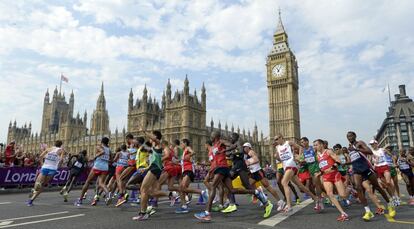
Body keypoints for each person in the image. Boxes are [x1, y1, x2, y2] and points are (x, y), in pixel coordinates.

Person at [194, 131, 269, 222]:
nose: (211, 136)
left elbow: (232, 145)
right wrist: (211, 170)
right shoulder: (213, 148)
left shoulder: (221, 142)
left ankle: (207, 213)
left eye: (212, 135)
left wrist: (224, 150)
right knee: (232, 190)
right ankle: (256, 192)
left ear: (216, 137)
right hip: (220, 168)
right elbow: (215, 160)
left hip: (222, 167)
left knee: (213, 186)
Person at [346, 131, 396, 221]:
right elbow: (352, 160)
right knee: (358, 188)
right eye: (348, 136)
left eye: (351, 136)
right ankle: (368, 211)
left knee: (377, 187)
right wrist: (345, 163)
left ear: (355, 136)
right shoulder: (349, 148)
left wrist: (358, 149)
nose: (349, 138)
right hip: (357, 170)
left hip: (366, 169)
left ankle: (390, 206)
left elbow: (369, 151)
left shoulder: (360, 143)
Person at [273, 134, 318, 213]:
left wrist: (299, 157)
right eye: (275, 140)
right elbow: (280, 159)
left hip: (291, 165)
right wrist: (276, 157)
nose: (275, 141)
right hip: (285, 166)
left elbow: (300, 147)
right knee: (300, 186)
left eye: (277, 139)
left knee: (284, 182)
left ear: (281, 138)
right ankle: (315, 198)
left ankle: (289, 206)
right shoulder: (277, 147)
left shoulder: (288, 143)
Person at [133, 130, 169, 221]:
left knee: (143, 190)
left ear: (155, 137)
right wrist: (146, 168)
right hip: (153, 168)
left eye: (152, 136)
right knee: (150, 191)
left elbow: (153, 138)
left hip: (155, 169)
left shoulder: (158, 144)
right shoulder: (153, 148)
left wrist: (144, 130)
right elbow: (153, 161)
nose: (149, 138)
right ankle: (171, 194)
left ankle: (143, 213)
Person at [244, 142, 284, 216]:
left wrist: (248, 163)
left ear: (249, 147)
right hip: (253, 173)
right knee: (248, 185)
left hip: (258, 172)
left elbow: (256, 160)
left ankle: (280, 201)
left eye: (245, 147)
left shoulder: (251, 152)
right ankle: (261, 195)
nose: (244, 148)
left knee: (268, 187)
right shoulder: (247, 154)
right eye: (243, 147)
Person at [314, 139, 349, 221]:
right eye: (314, 145)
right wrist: (320, 172)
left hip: (335, 174)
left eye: (316, 145)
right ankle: (343, 213)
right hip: (326, 177)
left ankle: (350, 190)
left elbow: (338, 161)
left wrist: (332, 167)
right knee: (329, 194)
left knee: (343, 195)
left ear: (321, 145)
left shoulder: (328, 152)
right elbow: (322, 166)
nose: (315, 146)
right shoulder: (317, 155)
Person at [75, 137, 111, 206]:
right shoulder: (109, 150)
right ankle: (108, 193)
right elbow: (111, 159)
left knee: (88, 181)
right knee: (101, 183)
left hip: (97, 166)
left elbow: (102, 152)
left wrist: (94, 157)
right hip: (105, 167)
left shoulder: (99, 146)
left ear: (102, 142)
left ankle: (80, 200)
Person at [27, 140, 65, 206]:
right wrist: (58, 167)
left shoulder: (49, 149)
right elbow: (61, 160)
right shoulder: (61, 150)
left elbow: (40, 156)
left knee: (37, 182)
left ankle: (34, 190)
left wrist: (42, 164)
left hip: (45, 167)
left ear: (54, 144)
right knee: (43, 185)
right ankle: (31, 200)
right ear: (61, 145)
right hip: (53, 169)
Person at [369, 140, 399, 205]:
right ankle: (393, 197)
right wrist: (373, 164)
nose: (372, 145)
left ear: (376, 144)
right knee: (386, 185)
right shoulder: (371, 152)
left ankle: (395, 197)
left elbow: (391, 155)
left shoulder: (382, 149)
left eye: (373, 144)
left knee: (388, 182)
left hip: (385, 166)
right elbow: (370, 160)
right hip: (377, 168)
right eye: (371, 144)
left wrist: (394, 161)